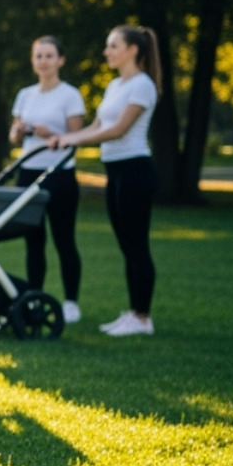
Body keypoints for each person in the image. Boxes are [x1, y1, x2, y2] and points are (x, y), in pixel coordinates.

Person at [47, 26, 161, 336]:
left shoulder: (143, 85)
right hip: (115, 171)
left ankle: (142, 317)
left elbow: (118, 130)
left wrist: (74, 141)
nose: (107, 51)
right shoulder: (114, 85)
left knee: (137, 245)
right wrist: (66, 137)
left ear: (132, 50)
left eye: (113, 46)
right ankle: (133, 312)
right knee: (127, 245)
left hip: (135, 170)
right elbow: (99, 124)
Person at [9, 36, 86, 323]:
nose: (43, 61)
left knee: (64, 239)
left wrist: (47, 133)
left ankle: (70, 302)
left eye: (49, 56)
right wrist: (17, 133)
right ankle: (35, 298)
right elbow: (13, 133)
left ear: (60, 60)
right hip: (28, 172)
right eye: (38, 56)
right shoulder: (25, 94)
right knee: (33, 240)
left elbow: (75, 137)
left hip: (60, 174)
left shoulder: (70, 95)